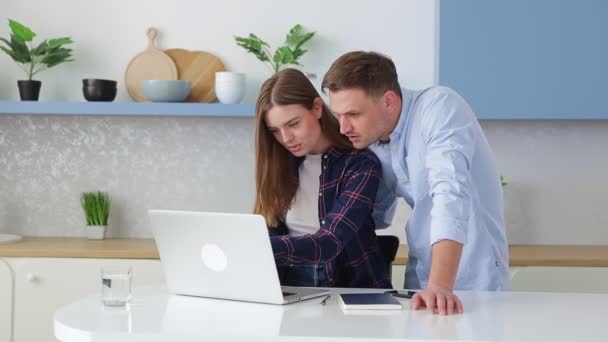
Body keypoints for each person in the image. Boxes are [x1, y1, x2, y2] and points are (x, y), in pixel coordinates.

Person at [322, 51, 509, 314]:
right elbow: (377, 215)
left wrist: (441, 285)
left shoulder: (439, 108)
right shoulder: (375, 138)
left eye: (353, 114)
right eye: (338, 115)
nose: (343, 127)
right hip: (420, 283)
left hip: (471, 281)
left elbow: (450, 194)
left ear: (388, 101)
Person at [253, 68, 392, 289]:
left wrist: (254, 246)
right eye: (275, 130)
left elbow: (328, 243)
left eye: (293, 124)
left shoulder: (360, 164)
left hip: (350, 292)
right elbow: (270, 229)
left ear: (317, 108)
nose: (286, 138)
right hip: (289, 286)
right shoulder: (280, 164)